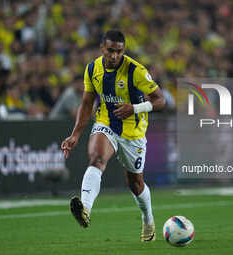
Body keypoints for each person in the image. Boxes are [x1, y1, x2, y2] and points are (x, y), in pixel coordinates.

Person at [61, 30, 165, 242]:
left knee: (135, 184)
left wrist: (135, 108)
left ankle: (148, 220)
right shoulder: (92, 69)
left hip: (133, 132)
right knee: (97, 158)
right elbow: (87, 103)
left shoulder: (135, 70)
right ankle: (85, 210)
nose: (114, 56)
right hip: (106, 123)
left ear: (123, 51)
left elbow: (160, 100)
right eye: (110, 51)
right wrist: (75, 135)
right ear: (102, 48)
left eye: (119, 51)